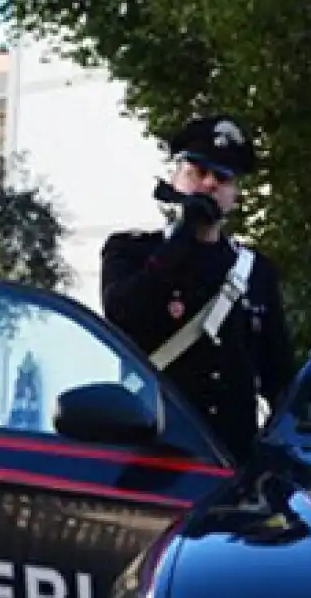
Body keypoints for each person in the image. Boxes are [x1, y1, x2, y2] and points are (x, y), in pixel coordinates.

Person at [101, 114, 294, 462]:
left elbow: (277, 374)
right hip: (152, 457)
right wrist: (183, 237)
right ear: (175, 178)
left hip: (228, 461)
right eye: (197, 173)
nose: (208, 185)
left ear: (234, 195)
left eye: (221, 178)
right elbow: (122, 312)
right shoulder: (130, 252)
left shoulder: (255, 272)